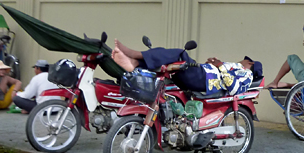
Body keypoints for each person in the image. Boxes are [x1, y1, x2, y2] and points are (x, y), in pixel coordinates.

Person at [112, 40, 262, 96]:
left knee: (179, 53)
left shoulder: (247, 74)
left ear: (251, 64)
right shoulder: (236, 67)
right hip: (202, 74)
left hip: (203, 80)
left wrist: (221, 66)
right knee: (167, 58)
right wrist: (212, 64)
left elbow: (234, 88)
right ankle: (135, 63)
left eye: (246, 59)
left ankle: (135, 56)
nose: (242, 59)